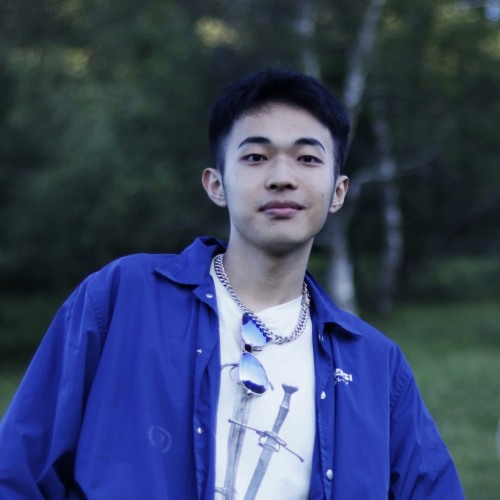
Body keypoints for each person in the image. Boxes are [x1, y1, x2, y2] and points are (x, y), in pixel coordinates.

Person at [0, 69, 463, 499]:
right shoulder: (123, 298)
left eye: (306, 158)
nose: (282, 178)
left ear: (338, 191)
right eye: (256, 157)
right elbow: (19, 469)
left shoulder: (376, 365)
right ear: (216, 183)